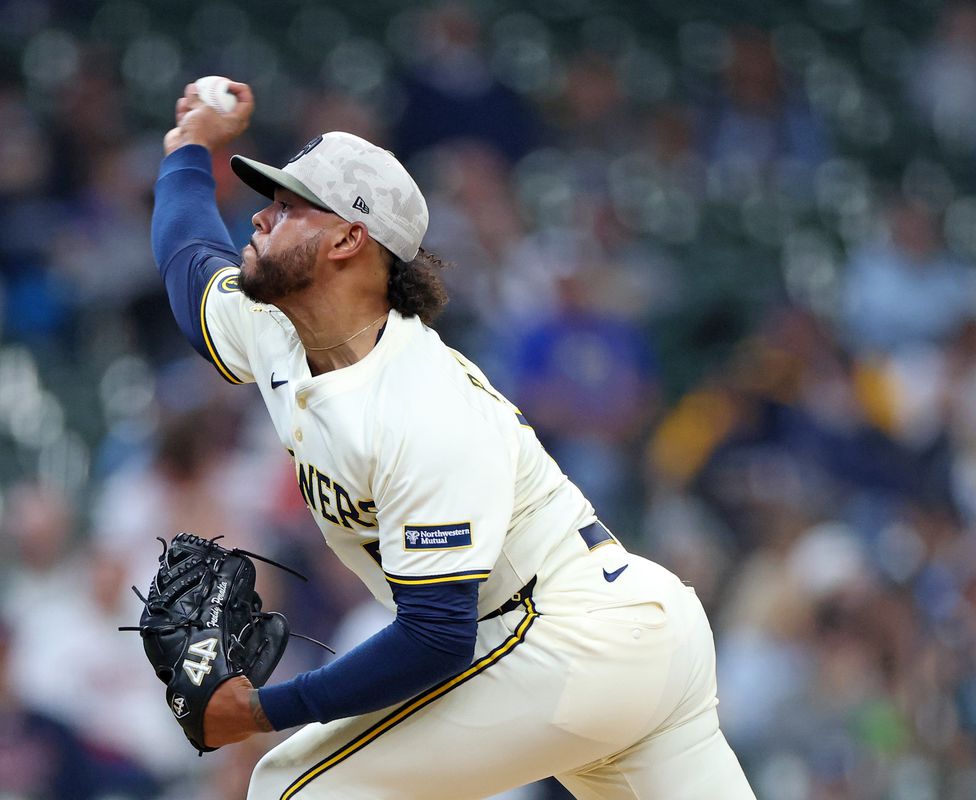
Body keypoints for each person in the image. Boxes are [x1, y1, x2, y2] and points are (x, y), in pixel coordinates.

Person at [149, 78, 756, 800]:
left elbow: (436, 637)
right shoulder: (276, 327)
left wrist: (259, 711)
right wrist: (189, 149)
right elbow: (191, 266)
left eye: (287, 206)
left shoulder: (421, 404)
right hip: (609, 639)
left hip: (565, 632)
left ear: (348, 238)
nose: (259, 216)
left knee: (293, 786)